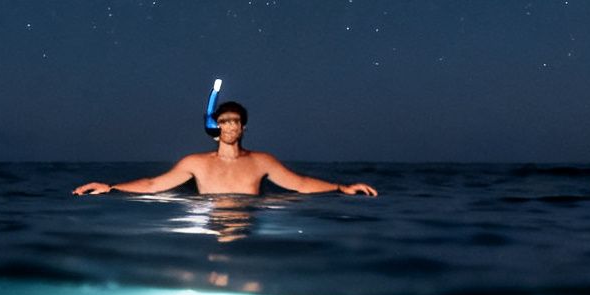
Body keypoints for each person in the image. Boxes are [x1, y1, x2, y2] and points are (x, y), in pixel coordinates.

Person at [72, 102, 378, 196]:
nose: (230, 126)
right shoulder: (195, 162)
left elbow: (299, 184)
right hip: (209, 227)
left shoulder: (262, 161)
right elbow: (153, 185)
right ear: (215, 127)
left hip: (250, 228)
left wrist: (341, 187)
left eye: (236, 122)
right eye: (224, 121)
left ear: (243, 128)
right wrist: (111, 187)